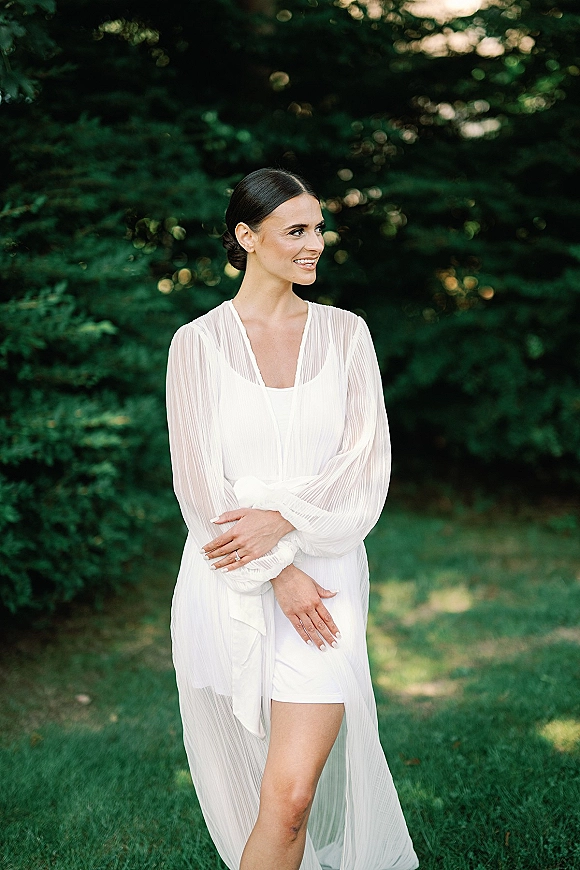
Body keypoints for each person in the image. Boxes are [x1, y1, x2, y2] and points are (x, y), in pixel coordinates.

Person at [166, 167, 418, 870]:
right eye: (296, 230)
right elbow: (199, 487)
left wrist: (283, 522)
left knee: (292, 795)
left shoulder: (346, 335)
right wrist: (279, 573)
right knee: (258, 790)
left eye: (318, 228)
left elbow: (362, 462)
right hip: (233, 582)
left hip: (328, 580)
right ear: (247, 237)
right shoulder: (198, 343)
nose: (316, 243)